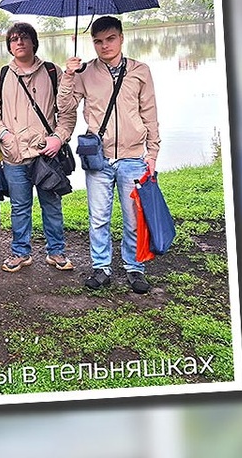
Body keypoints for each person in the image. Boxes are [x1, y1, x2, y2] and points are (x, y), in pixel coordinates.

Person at [60, 16, 160, 294]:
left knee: (133, 218)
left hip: (133, 157)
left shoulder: (140, 71)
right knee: (98, 218)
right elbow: (64, 106)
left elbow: (150, 113)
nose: (105, 46)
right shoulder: (85, 73)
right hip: (98, 158)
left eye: (110, 39)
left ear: (121, 38)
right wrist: (68, 75)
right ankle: (101, 266)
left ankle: (134, 267)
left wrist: (152, 152)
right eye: (98, 41)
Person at [0, 22, 77, 274]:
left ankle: (56, 251)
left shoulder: (52, 71)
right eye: (14, 39)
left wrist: (58, 138)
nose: (19, 42)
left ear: (34, 42)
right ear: (9, 46)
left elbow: (67, 113)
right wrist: (5, 135)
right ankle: (20, 252)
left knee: (51, 205)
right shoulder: (2, 75)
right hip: (14, 155)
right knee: (19, 207)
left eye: (24, 37)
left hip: (46, 154)